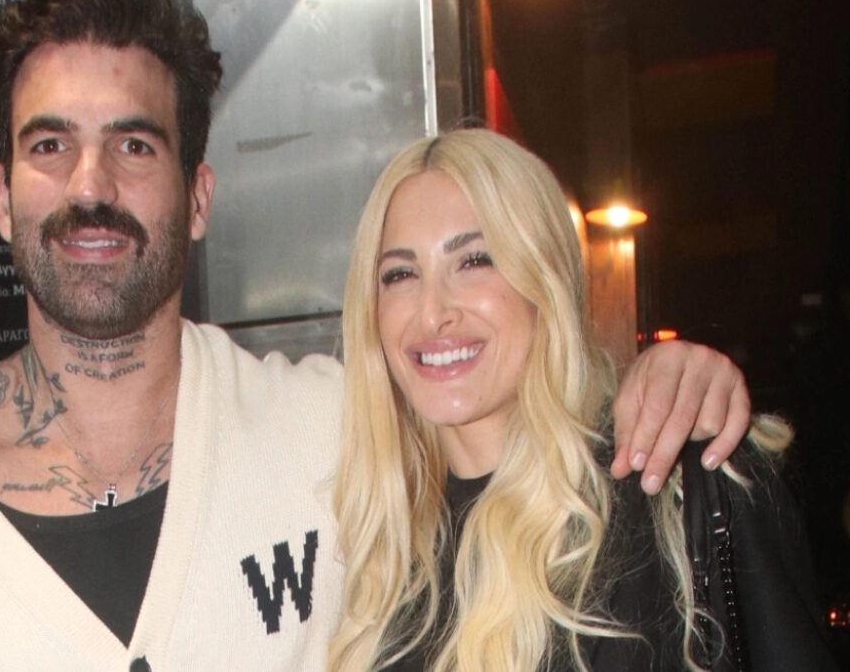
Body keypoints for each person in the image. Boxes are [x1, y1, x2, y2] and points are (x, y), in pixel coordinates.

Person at [0, 0, 751, 669]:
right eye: (49, 145)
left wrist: (661, 379)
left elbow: (522, 427)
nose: (90, 185)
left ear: (198, 198)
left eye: (135, 145)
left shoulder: (338, 429)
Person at [330, 129, 835, 671]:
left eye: (474, 260)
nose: (433, 313)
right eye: (400, 274)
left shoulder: (675, 487)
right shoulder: (388, 562)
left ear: (544, 277)